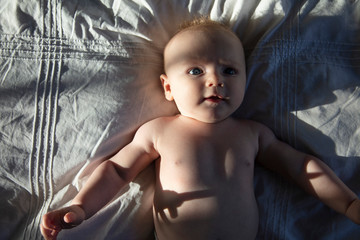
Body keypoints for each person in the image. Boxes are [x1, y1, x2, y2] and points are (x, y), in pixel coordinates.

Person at [40, 17, 360, 240]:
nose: (216, 79)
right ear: (168, 88)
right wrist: (81, 207)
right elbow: (116, 172)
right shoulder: (159, 131)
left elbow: (301, 168)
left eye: (230, 70)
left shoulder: (253, 133)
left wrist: (348, 203)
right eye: (195, 70)